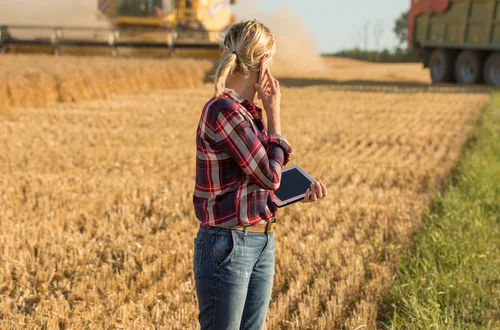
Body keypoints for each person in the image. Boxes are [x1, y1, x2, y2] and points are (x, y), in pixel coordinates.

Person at [192, 19, 328, 330]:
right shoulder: (224, 111)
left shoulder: (246, 113)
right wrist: (275, 113)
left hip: (259, 239)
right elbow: (268, 175)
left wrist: (294, 192)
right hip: (228, 245)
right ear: (264, 62)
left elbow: (255, 183)